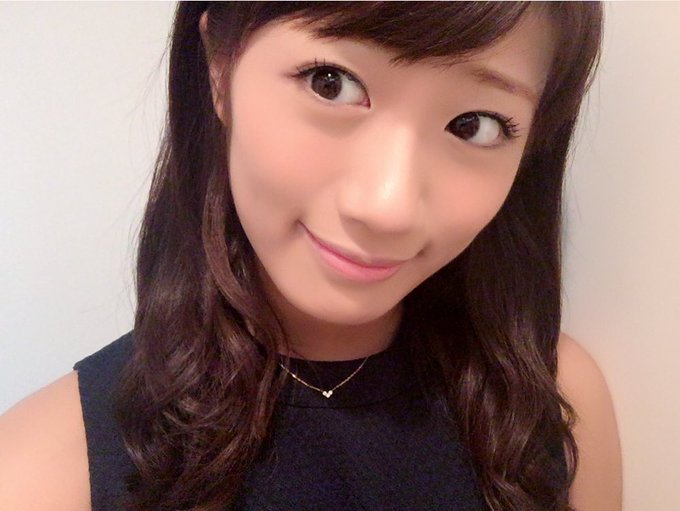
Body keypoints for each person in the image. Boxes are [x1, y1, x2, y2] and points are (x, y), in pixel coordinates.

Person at [0, 2, 621, 510]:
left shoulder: (555, 404)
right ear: (220, 66)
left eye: (474, 124)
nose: (387, 207)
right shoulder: (42, 473)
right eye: (332, 83)